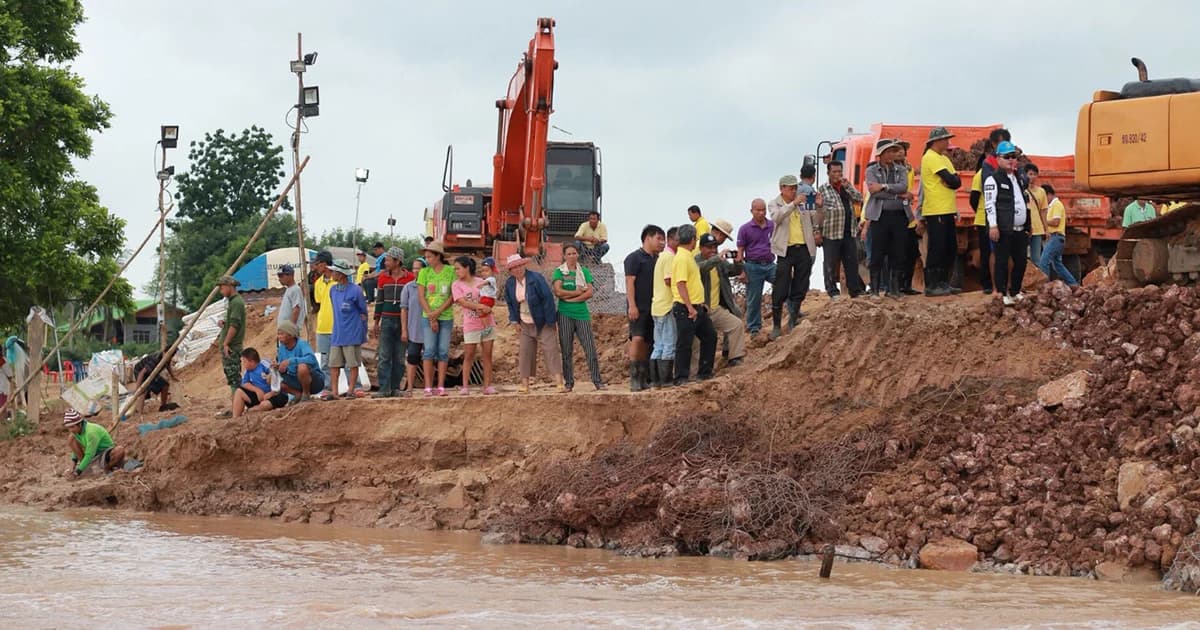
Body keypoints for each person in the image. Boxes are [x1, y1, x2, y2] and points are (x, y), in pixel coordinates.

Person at [504, 253, 564, 393]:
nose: (518, 269)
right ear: (510, 271)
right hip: (525, 321)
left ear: (524, 265)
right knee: (525, 352)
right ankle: (525, 385)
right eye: (514, 267)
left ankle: (559, 382)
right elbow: (510, 303)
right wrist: (514, 320)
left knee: (551, 349)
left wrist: (551, 321)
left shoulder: (536, 279)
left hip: (542, 320)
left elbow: (547, 299)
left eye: (520, 265)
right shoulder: (510, 283)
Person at [768, 174, 818, 337]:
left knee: (801, 284)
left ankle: (793, 319)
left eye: (795, 188)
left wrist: (820, 207)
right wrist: (792, 204)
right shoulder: (774, 204)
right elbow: (777, 218)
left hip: (803, 248)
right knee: (781, 286)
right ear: (782, 188)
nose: (794, 191)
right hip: (785, 250)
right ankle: (776, 325)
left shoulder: (803, 202)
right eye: (790, 188)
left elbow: (816, 219)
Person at [862, 139, 912, 299]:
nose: (892, 154)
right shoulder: (871, 171)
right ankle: (875, 290)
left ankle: (894, 289)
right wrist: (897, 194)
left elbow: (904, 187)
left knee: (898, 252)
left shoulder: (901, 169)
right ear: (881, 154)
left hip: (899, 216)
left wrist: (884, 186)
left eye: (893, 151)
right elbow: (874, 192)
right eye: (889, 151)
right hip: (879, 217)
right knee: (877, 252)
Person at [552, 244, 605, 392]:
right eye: (568, 254)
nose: (571, 256)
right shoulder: (559, 272)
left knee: (590, 349)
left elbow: (589, 293)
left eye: (574, 253)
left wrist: (572, 299)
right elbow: (558, 291)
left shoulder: (584, 271)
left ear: (578, 255)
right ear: (564, 256)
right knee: (566, 350)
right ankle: (569, 382)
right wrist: (577, 292)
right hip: (564, 314)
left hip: (582, 314)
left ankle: (597, 381)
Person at [985, 141, 1032, 306]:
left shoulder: (1018, 179)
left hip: (1020, 229)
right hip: (1004, 228)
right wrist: (993, 225)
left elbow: (1023, 201)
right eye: (1007, 157)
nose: (1011, 160)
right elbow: (989, 204)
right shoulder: (993, 179)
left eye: (1014, 157)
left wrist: (1028, 224)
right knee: (1002, 261)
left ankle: (1015, 290)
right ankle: (1002, 292)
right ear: (998, 159)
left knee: (1021, 261)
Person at [918, 127, 963, 297]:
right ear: (936, 141)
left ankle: (944, 282)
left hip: (947, 209)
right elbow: (951, 179)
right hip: (936, 209)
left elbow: (955, 181)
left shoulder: (943, 158)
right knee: (937, 248)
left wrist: (952, 181)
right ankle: (932, 284)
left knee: (950, 248)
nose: (948, 142)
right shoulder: (930, 157)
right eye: (945, 139)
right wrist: (952, 181)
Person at [671, 224, 717, 383]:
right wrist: (690, 307)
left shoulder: (687, 256)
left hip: (697, 307)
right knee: (684, 343)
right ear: (692, 240)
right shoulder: (682, 258)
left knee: (710, 336)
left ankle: (704, 372)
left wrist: (700, 303)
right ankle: (681, 377)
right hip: (685, 308)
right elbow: (681, 284)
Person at [814, 160, 865, 298]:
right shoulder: (823, 189)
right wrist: (817, 231)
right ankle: (832, 291)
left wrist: (848, 187)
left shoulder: (845, 187)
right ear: (828, 173)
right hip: (831, 232)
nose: (837, 175)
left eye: (839, 172)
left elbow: (859, 198)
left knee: (851, 262)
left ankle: (855, 290)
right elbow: (818, 212)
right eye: (834, 172)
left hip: (848, 231)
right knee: (830, 262)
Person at [624, 224, 665, 391]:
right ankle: (634, 378)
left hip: (654, 307)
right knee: (637, 338)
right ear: (648, 238)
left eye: (663, 239)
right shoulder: (634, 258)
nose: (662, 243)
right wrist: (632, 305)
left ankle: (644, 376)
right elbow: (630, 282)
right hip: (638, 306)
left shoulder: (657, 260)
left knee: (649, 341)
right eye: (659, 239)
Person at [696, 233, 746, 367]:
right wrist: (716, 259)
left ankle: (734, 358)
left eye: (715, 247)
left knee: (736, 325)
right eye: (709, 248)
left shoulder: (719, 262)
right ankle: (693, 373)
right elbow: (700, 268)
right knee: (698, 342)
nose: (713, 250)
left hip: (715, 309)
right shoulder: (696, 260)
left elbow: (733, 271)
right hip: (699, 311)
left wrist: (738, 262)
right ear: (701, 248)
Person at [452, 256, 498, 395]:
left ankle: (487, 385)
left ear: (467, 268)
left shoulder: (481, 281)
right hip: (471, 324)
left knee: (487, 355)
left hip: (487, 322)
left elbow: (491, 295)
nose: (456, 271)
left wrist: (488, 307)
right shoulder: (456, 285)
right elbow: (463, 302)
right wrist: (480, 306)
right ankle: (465, 386)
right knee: (469, 355)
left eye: (458, 268)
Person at [372, 247, 413, 398]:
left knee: (399, 357)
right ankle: (384, 389)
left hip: (403, 321)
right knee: (384, 356)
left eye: (389, 260)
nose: (386, 262)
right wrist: (376, 322)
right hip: (387, 320)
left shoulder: (410, 278)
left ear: (397, 261)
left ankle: (395, 388)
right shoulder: (382, 278)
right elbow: (380, 301)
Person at [417, 241, 456, 396]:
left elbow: (453, 295)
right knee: (429, 350)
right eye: (426, 257)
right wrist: (432, 316)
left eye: (430, 256)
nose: (427, 260)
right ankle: (428, 386)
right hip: (428, 316)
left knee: (443, 351)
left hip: (445, 316)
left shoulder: (450, 271)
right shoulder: (424, 273)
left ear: (438, 256)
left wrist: (438, 312)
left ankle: (440, 386)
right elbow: (421, 296)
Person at [328, 259, 368, 398]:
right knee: (334, 364)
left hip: (352, 333)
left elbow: (363, 311)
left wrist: (363, 331)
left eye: (334, 271)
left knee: (353, 364)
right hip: (337, 333)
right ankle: (334, 392)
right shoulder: (332, 290)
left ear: (341, 274)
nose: (332, 273)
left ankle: (351, 390)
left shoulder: (356, 290)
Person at [736, 199, 774, 335]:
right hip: (752, 265)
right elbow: (740, 251)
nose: (761, 212)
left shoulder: (772, 225)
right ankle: (754, 328)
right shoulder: (745, 229)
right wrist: (742, 271)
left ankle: (793, 313)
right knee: (754, 298)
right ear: (752, 211)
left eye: (763, 210)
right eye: (758, 210)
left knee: (784, 284)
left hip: (770, 264)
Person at [649, 227, 680, 388]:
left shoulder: (663, 256)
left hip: (657, 305)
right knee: (668, 344)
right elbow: (669, 280)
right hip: (667, 306)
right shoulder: (670, 257)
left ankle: (656, 381)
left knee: (659, 345)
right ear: (672, 240)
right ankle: (666, 380)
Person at [63, 409, 125, 478]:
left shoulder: (91, 432)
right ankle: (86, 468)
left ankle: (106, 469)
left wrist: (77, 473)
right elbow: (75, 450)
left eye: (72, 427)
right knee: (71, 439)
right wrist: (72, 466)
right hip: (93, 455)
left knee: (119, 450)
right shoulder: (75, 432)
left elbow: (90, 454)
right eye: (69, 428)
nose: (71, 430)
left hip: (105, 453)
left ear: (79, 424)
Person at [1038, 184, 1079, 286]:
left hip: (1056, 237)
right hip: (1056, 238)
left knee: (1044, 261)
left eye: (1044, 197)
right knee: (1057, 265)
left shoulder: (1056, 204)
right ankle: (1073, 284)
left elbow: (1056, 222)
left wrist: (1043, 221)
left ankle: (1045, 287)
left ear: (1049, 194)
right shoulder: (1052, 206)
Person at [231, 348, 289, 418]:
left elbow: (276, 376)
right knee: (239, 392)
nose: (243, 364)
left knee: (265, 405)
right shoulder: (248, 371)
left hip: (276, 395)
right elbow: (244, 383)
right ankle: (235, 417)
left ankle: (251, 410)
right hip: (260, 396)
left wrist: (271, 393)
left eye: (244, 362)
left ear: (252, 362)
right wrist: (257, 390)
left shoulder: (264, 364)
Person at [276, 321, 324, 402]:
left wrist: (291, 361)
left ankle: (306, 394)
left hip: (314, 381)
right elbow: (283, 367)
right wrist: (278, 367)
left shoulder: (302, 344)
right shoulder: (281, 348)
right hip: (295, 379)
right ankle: (298, 394)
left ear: (290, 334)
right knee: (271, 378)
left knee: (302, 367)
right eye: (278, 334)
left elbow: (311, 359)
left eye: (282, 334)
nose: (279, 336)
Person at [400, 258, 426, 396]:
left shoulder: (431, 286)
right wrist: (404, 329)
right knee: (412, 358)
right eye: (414, 268)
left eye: (419, 268)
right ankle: (410, 387)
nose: (416, 271)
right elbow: (404, 309)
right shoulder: (409, 287)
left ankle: (428, 387)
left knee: (429, 359)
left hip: (429, 330)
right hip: (414, 330)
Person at [216, 275, 246, 394]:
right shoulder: (233, 301)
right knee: (232, 378)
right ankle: (236, 405)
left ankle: (237, 406)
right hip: (231, 346)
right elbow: (232, 322)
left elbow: (234, 325)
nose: (221, 291)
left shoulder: (236, 302)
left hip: (232, 347)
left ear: (229, 286)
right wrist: (225, 322)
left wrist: (226, 343)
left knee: (234, 380)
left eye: (222, 287)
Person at [312, 253, 336, 381]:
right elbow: (319, 301)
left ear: (324, 264)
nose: (316, 267)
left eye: (317, 264)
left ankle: (352, 387)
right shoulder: (318, 283)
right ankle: (327, 386)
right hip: (323, 326)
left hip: (337, 326)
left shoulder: (338, 280)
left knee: (343, 359)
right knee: (325, 360)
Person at [969, 168, 994, 294]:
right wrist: (980, 211)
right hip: (983, 221)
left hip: (997, 221)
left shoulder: (1002, 173)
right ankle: (986, 283)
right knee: (986, 253)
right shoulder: (980, 175)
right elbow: (974, 198)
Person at [1023, 163, 1049, 269]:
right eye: (1030, 174)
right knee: (1021, 257)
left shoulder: (1041, 191)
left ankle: (1037, 282)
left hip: (1038, 229)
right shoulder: (1021, 190)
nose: (1032, 177)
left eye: (1034, 174)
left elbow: (1043, 211)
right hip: (1024, 229)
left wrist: (1046, 229)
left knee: (1036, 259)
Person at [276, 264, 306, 331]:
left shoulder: (295, 290)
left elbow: (296, 309)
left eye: (281, 276)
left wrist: (290, 329)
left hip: (289, 332)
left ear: (290, 275)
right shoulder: (289, 289)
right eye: (279, 276)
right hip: (284, 331)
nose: (279, 279)